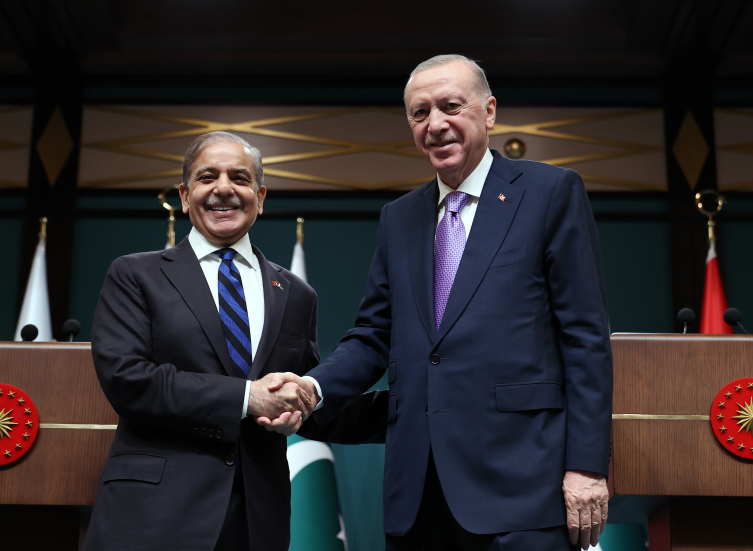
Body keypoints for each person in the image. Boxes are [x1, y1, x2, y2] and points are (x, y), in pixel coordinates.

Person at [265, 55, 613, 551]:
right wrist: (312, 388)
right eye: (420, 112)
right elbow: (373, 336)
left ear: (489, 111)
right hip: (418, 495)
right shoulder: (398, 217)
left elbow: (585, 338)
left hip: (522, 489)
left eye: (451, 106)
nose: (435, 124)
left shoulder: (550, 192)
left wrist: (586, 467)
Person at [84, 131, 369, 551]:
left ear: (260, 196)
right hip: (155, 517)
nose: (223, 188)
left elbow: (305, 400)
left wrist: (414, 410)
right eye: (207, 177)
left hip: (256, 520)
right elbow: (128, 379)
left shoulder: (296, 294)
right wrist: (249, 398)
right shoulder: (135, 275)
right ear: (185, 196)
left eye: (239, 177)